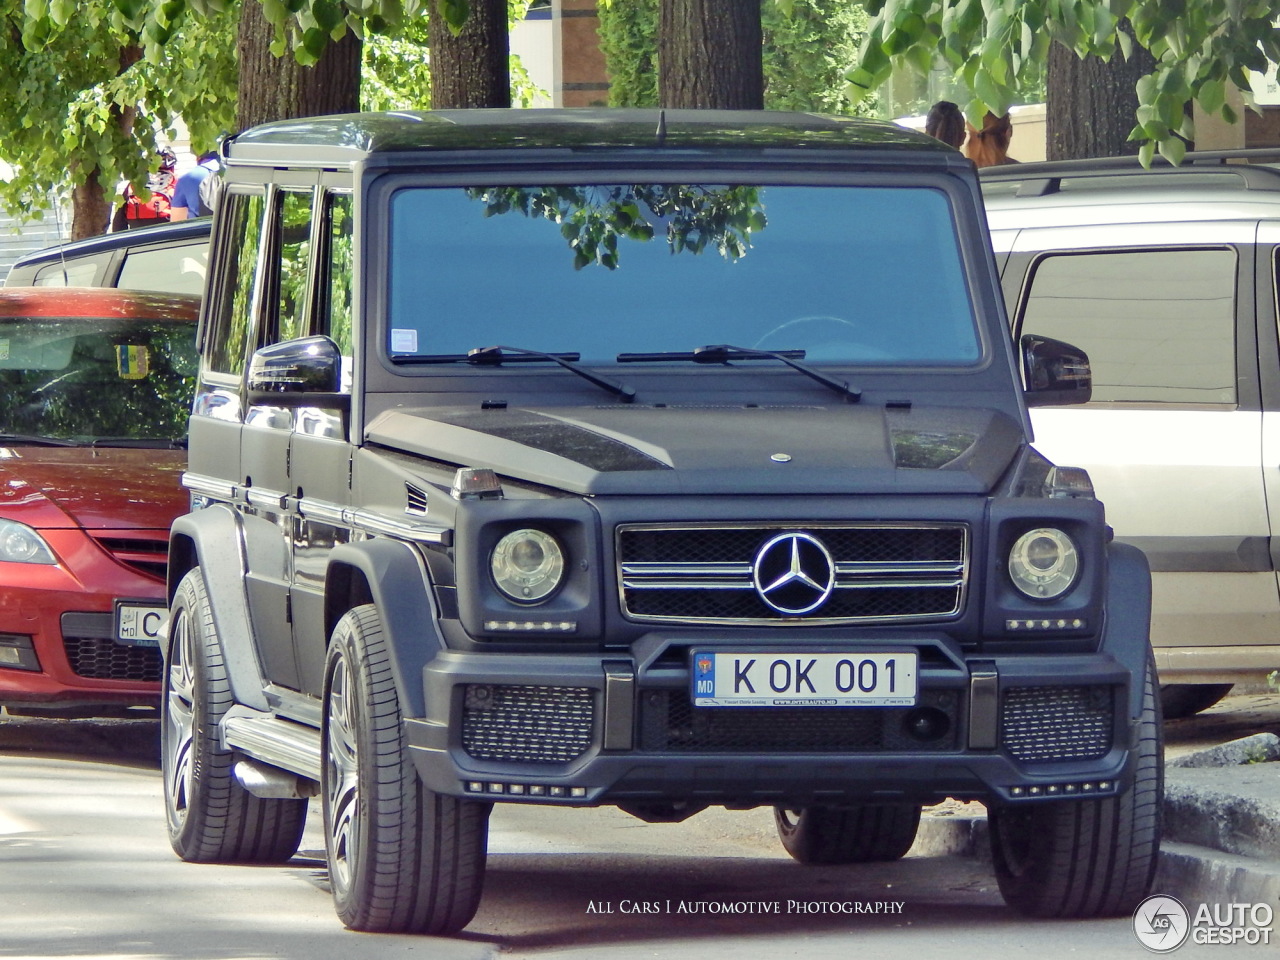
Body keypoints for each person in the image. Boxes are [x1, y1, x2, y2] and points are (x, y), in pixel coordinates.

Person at [111, 148, 176, 231]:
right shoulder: (175, 181)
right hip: (165, 224)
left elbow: (119, 220)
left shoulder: (136, 182)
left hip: (137, 225)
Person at [170, 148, 221, 220]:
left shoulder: (188, 178)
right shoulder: (235, 171)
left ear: (198, 156)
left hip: (204, 229)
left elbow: (177, 222)